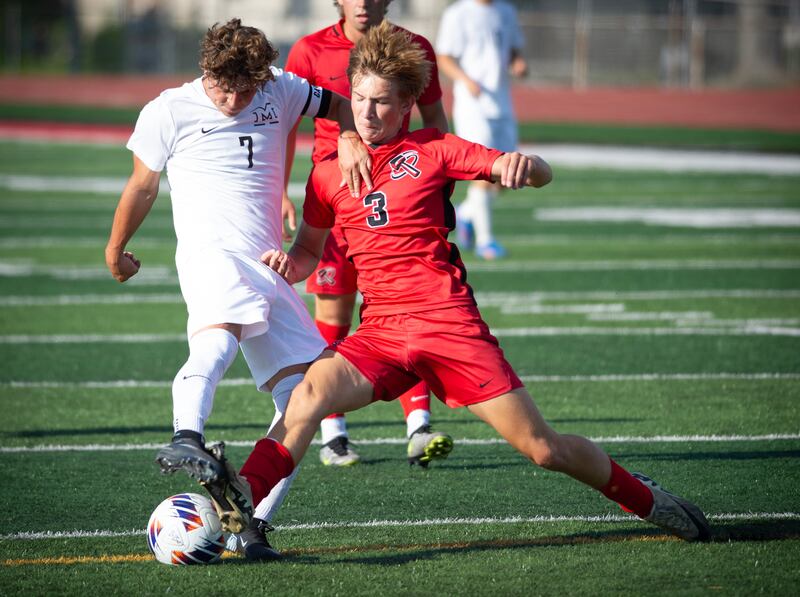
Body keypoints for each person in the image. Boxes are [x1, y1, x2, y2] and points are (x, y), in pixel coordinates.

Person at [192, 21, 711, 548]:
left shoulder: (435, 149)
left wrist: (525, 166)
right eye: (360, 99)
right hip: (382, 334)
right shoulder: (328, 174)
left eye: (383, 102)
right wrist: (288, 266)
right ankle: (242, 496)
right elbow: (307, 251)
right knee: (307, 396)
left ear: (409, 103)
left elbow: (536, 173)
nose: (368, 113)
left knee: (543, 449)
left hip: (448, 326)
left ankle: (644, 497)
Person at [104, 18, 373, 562]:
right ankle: (185, 434)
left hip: (268, 266)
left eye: (246, 90)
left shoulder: (281, 87)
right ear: (206, 70)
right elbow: (142, 185)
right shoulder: (168, 110)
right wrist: (116, 248)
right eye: (225, 88)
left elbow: (340, 103)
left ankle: (249, 527)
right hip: (211, 255)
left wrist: (347, 134)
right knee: (219, 336)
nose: (235, 99)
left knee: (305, 399)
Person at [283, 0, 453, 467]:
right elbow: (286, 127)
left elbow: (436, 121)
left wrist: (441, 184)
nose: (362, 2)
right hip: (336, 203)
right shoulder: (309, 50)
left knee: (409, 311)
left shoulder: (415, 48)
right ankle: (333, 433)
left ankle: (419, 425)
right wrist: (281, 192)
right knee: (334, 316)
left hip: (399, 198)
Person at [435, 0, 528, 260]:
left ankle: (465, 214)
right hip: (473, 107)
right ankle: (486, 241)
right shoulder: (459, 13)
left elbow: (513, 49)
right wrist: (466, 80)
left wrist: (518, 63)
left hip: (502, 104)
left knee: (508, 176)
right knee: (483, 173)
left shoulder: (506, 11)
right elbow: (444, 57)